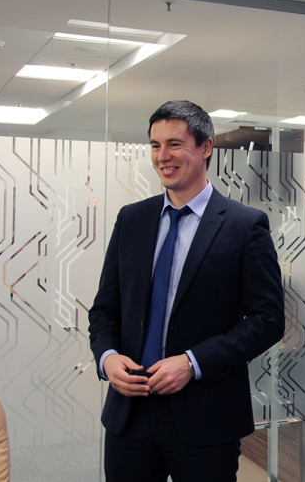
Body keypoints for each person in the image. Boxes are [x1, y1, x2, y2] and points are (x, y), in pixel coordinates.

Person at [89, 100, 284, 481]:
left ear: (205, 147)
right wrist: (107, 358)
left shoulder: (244, 226)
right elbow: (105, 310)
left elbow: (267, 320)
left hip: (206, 417)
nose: (162, 156)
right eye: (155, 145)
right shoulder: (132, 220)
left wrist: (193, 362)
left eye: (174, 144)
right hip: (130, 415)